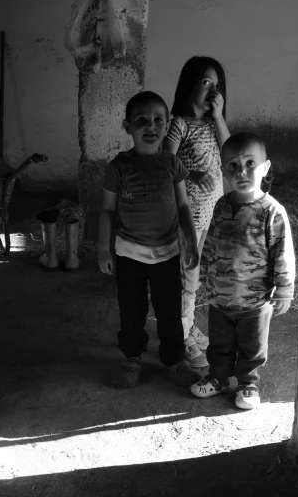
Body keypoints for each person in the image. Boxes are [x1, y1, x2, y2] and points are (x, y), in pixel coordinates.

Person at [98, 91, 202, 389]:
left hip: (168, 253)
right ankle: (132, 359)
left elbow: (184, 206)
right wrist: (104, 249)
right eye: (141, 120)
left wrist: (191, 243)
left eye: (158, 120)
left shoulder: (172, 164)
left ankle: (174, 360)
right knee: (132, 312)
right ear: (126, 126)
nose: (150, 126)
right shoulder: (118, 167)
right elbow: (106, 209)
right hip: (129, 254)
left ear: (167, 125)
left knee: (170, 311)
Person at [190, 132, 295, 410]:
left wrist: (284, 290)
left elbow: (283, 254)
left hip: (255, 301)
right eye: (233, 166)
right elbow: (210, 242)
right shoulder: (222, 206)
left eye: (250, 163)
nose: (242, 172)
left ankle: (248, 384)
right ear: (224, 170)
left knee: (252, 346)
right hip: (220, 298)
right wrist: (203, 274)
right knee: (219, 344)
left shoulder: (272, 211)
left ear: (266, 167)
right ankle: (219, 378)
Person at [164, 56, 231, 368]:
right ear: (189, 84)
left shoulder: (210, 124)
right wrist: (191, 175)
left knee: (196, 277)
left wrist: (218, 118)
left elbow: (230, 152)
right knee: (185, 277)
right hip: (186, 217)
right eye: (206, 82)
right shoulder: (179, 124)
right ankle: (180, 337)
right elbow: (165, 164)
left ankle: (186, 326)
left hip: (208, 217)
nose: (212, 90)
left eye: (217, 85)